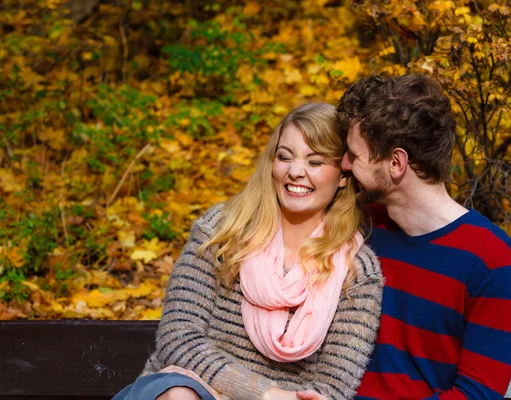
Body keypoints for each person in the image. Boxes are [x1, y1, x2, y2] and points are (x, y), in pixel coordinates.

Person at [113, 103, 384, 400]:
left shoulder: (356, 272)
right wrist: (264, 393)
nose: (295, 172)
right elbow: (179, 339)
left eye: (315, 162)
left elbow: (332, 388)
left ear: (343, 176)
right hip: (184, 389)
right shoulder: (222, 231)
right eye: (284, 157)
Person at [336, 74, 511, 399]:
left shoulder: (494, 263)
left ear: (396, 162)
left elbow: (476, 395)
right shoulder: (359, 228)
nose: (343, 164)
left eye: (354, 156)